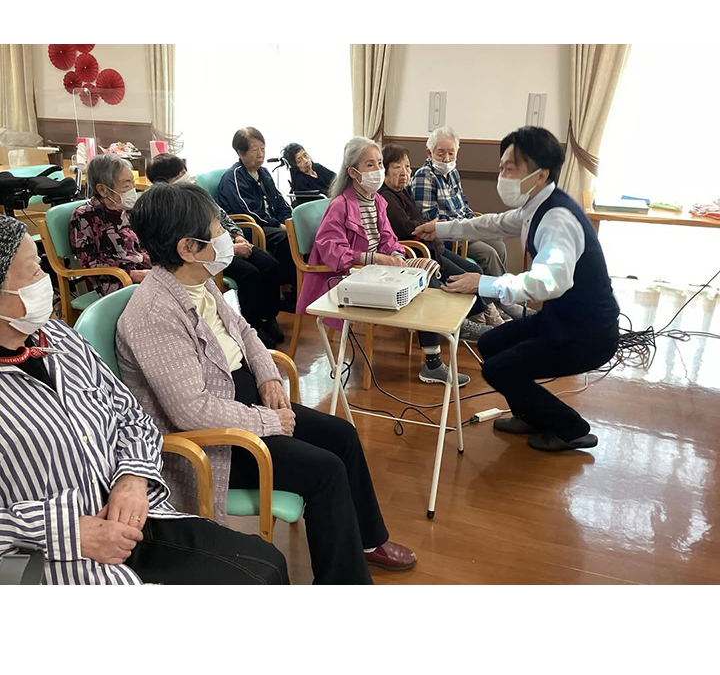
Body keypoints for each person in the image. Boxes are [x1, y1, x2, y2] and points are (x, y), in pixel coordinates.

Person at [115, 182, 417, 584]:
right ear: (188, 248)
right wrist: (268, 421)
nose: (226, 236)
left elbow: (244, 332)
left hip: (242, 400)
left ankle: (366, 541)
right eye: (217, 230)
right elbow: (192, 412)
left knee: (342, 435)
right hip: (214, 438)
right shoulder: (153, 314)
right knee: (325, 470)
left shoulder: (198, 280)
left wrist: (269, 376)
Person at [0, 215, 288, 585]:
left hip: (136, 515)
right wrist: (68, 532)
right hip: (49, 557)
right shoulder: (153, 308)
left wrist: (133, 479)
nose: (47, 282)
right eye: (33, 271)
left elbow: (131, 416)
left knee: (266, 565)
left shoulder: (58, 338)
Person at [413, 127, 620, 452]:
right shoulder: (536, 205)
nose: (503, 176)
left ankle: (572, 429)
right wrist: (439, 229)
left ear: (541, 174)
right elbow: (493, 223)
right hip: (562, 319)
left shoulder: (557, 219)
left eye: (511, 168)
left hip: (586, 334)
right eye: (502, 167)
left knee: (498, 369)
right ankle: (531, 414)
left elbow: (549, 282)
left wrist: (482, 283)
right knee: (492, 343)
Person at [296, 136, 473, 386]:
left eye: (380, 163)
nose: (378, 169)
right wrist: (374, 258)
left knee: (425, 274)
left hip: (374, 270)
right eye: (370, 164)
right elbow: (332, 250)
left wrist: (397, 254)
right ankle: (435, 358)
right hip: (349, 276)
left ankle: (441, 345)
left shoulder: (377, 200)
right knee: (425, 283)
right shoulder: (340, 206)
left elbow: (388, 238)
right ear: (353, 172)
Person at [146, 154, 284, 348]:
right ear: (164, 182)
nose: (185, 176)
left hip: (229, 241)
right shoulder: (168, 211)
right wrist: (232, 248)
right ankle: (252, 325)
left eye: (184, 171)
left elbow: (223, 217)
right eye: (179, 174)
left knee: (270, 265)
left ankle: (268, 317)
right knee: (250, 274)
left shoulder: (196, 194)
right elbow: (193, 245)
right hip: (209, 253)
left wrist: (237, 235)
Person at [378, 143, 505, 328]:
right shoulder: (386, 196)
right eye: (398, 167)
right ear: (385, 170)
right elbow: (408, 228)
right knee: (463, 276)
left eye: (407, 166)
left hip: (433, 247)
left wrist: (424, 224)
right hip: (420, 253)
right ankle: (477, 321)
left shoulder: (402, 192)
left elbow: (421, 220)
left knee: (474, 270)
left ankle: (488, 314)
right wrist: (424, 224)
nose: (405, 172)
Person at [410, 126, 524, 320]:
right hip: (448, 237)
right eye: (441, 153)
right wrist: (465, 228)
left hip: (464, 229)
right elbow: (430, 218)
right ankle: (500, 303)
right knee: (488, 254)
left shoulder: (453, 173)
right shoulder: (424, 176)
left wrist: (474, 224)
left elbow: (464, 206)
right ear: (429, 153)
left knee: (499, 246)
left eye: (451, 153)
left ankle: (499, 299)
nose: (446, 159)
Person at [216, 127, 296, 306]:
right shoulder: (234, 177)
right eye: (255, 150)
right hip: (246, 227)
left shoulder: (264, 173)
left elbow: (279, 201)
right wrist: (279, 225)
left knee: (297, 231)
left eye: (263, 148)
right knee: (284, 237)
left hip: (267, 224)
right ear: (240, 152)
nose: (260, 154)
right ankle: (286, 289)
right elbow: (249, 211)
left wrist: (289, 220)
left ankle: (298, 289)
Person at [69, 153, 151, 296]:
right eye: (126, 185)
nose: (132, 189)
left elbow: (143, 244)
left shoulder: (127, 210)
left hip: (143, 273)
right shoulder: (84, 216)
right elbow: (88, 264)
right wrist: (133, 275)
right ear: (103, 190)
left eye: (133, 183)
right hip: (114, 281)